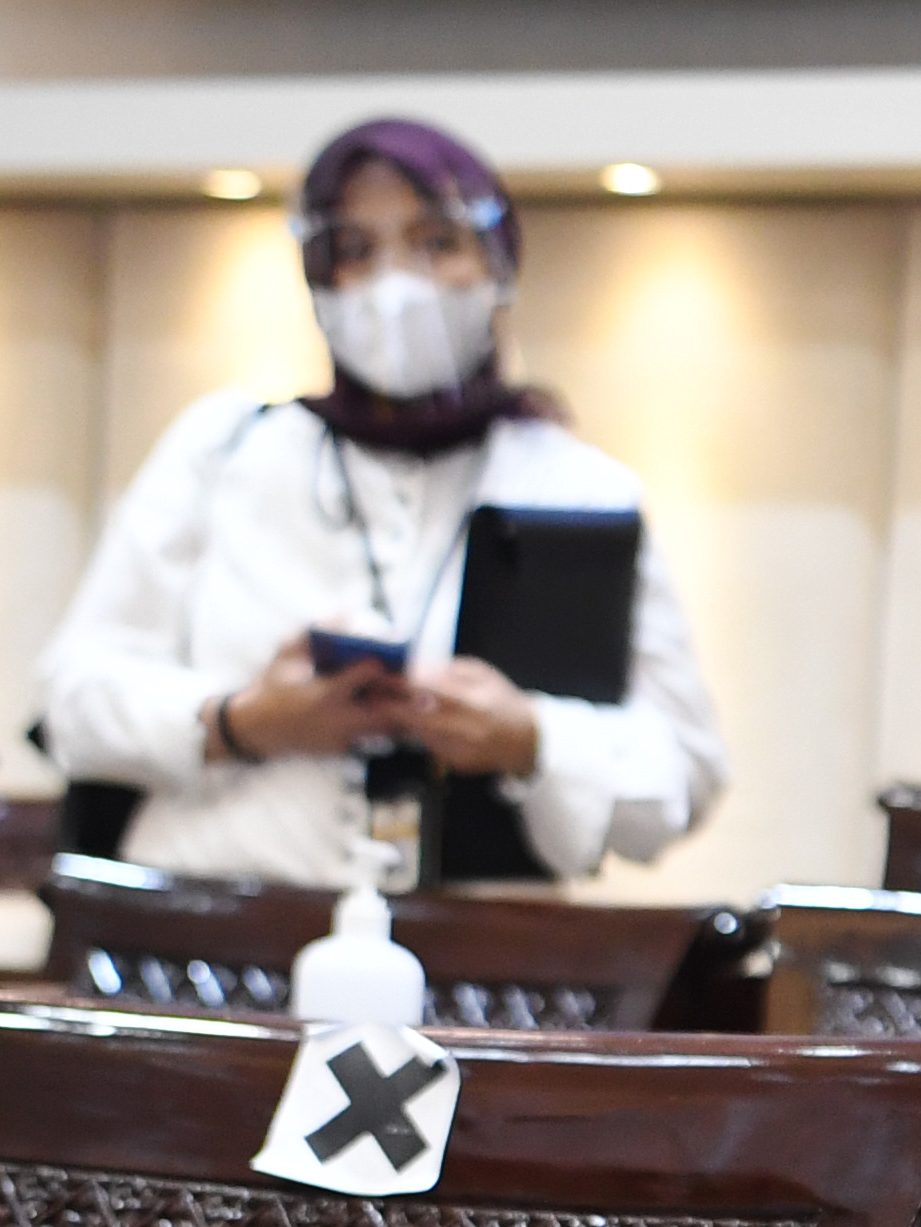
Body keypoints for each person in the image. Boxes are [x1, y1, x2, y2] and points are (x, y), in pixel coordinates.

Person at [36, 117, 726, 887]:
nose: (395, 285)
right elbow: (73, 702)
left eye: (437, 242)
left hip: (480, 959)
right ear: (318, 279)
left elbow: (686, 775)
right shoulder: (227, 451)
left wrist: (531, 738)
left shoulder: (577, 489)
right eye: (355, 251)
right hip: (214, 932)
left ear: (498, 264)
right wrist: (243, 720)